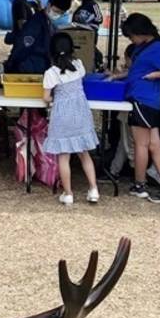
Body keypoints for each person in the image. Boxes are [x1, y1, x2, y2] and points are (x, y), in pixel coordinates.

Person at [112, 13, 160, 203]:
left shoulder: (156, 48)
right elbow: (136, 70)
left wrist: (155, 75)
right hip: (147, 99)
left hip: (143, 99)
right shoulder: (143, 47)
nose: (131, 40)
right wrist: (116, 76)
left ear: (140, 32)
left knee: (141, 145)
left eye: (131, 36)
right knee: (153, 145)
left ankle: (140, 184)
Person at [42, 33, 100, 206]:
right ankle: (93, 189)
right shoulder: (79, 65)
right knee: (84, 154)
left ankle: (68, 194)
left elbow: (46, 97)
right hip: (80, 112)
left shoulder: (51, 73)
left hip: (62, 115)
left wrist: (53, 98)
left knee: (64, 156)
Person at [4, 0, 72, 75]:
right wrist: (11, 65)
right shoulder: (35, 23)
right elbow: (22, 47)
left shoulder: (48, 23)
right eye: (56, 11)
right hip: (28, 69)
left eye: (61, 13)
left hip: (39, 68)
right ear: (49, 5)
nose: (57, 15)